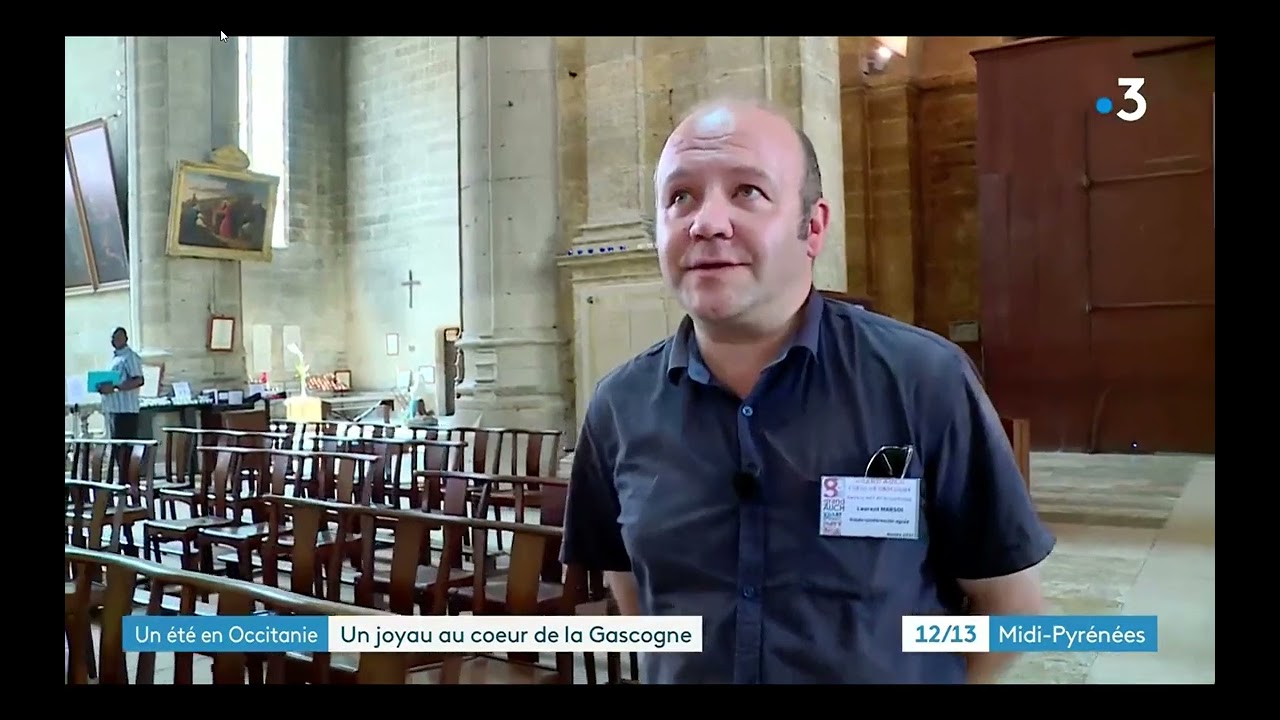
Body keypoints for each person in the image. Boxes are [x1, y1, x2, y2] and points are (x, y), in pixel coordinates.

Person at [560, 99, 1055, 685]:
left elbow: (1012, 607)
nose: (706, 222)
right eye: (680, 197)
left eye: (747, 191)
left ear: (813, 227)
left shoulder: (924, 379)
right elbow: (636, 596)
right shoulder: (618, 406)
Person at [97, 327, 146, 446]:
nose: (115, 340)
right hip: (114, 409)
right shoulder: (115, 359)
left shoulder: (130, 357)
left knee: (126, 449)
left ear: (126, 338)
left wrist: (115, 388)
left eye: (118, 337)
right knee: (117, 449)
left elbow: (139, 380)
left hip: (126, 411)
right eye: (113, 338)